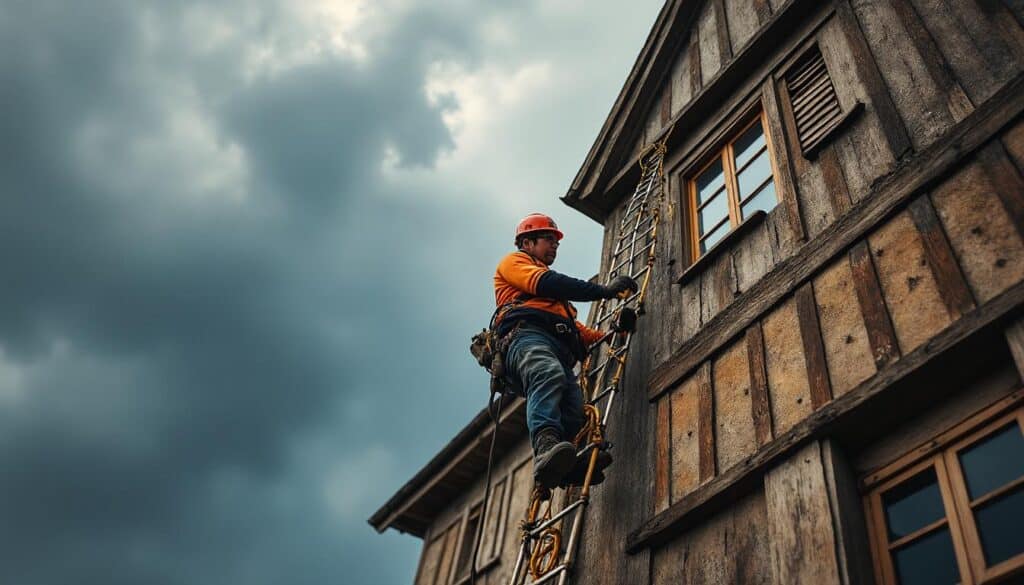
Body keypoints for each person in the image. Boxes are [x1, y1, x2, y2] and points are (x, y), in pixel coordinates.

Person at [493, 213, 636, 488]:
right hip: (526, 338)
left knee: (573, 407)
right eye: (549, 239)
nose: (555, 246)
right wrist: (604, 291)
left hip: (556, 350)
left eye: (556, 242)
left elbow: (582, 336)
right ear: (527, 242)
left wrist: (613, 332)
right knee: (547, 373)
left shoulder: (560, 305)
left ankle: (571, 467)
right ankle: (546, 446)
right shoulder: (516, 263)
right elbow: (548, 282)